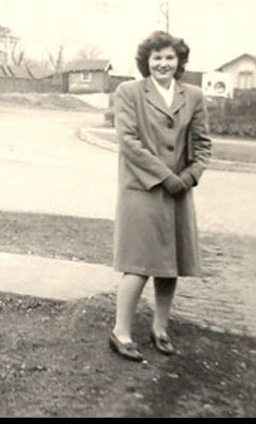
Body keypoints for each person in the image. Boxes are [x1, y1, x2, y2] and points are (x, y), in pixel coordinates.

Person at [109, 30, 212, 361]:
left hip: (179, 191)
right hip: (142, 189)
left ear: (179, 61)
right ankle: (120, 332)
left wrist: (188, 177)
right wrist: (165, 177)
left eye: (169, 57)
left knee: (170, 265)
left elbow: (203, 145)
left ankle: (160, 328)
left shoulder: (193, 95)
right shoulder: (128, 92)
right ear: (146, 62)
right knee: (138, 264)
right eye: (156, 58)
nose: (163, 64)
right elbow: (128, 142)